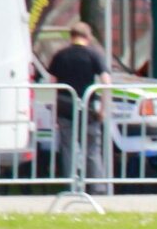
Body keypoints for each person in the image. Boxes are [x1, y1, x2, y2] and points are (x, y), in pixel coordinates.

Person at [46, 21, 111, 194]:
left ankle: (71, 186)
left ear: (71, 36)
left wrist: (54, 111)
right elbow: (106, 81)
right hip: (88, 108)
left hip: (65, 108)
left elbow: (52, 83)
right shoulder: (94, 54)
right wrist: (103, 109)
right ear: (88, 37)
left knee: (67, 148)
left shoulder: (60, 55)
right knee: (92, 148)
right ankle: (97, 187)